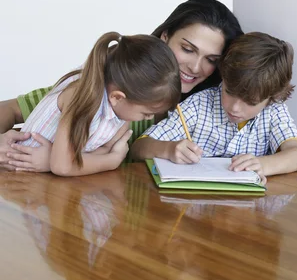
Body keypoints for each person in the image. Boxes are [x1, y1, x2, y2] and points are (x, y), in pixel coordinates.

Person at [0, 0, 243, 171]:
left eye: (211, 60)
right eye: (187, 49)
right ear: (165, 37)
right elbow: (10, 109)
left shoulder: (208, 109)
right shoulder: (114, 82)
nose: (196, 67)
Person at [132, 32, 297, 179]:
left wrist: (263, 164)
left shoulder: (274, 111)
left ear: (271, 98)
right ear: (223, 77)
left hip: (250, 212)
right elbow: (138, 148)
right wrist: (168, 149)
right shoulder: (198, 105)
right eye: (229, 92)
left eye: (251, 102)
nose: (235, 108)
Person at [9, 32, 181, 176]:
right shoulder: (82, 97)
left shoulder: (121, 110)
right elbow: (62, 166)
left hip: (50, 180)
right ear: (117, 97)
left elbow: (105, 148)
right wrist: (112, 161)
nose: (150, 118)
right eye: (146, 113)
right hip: (20, 174)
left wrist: (70, 161)